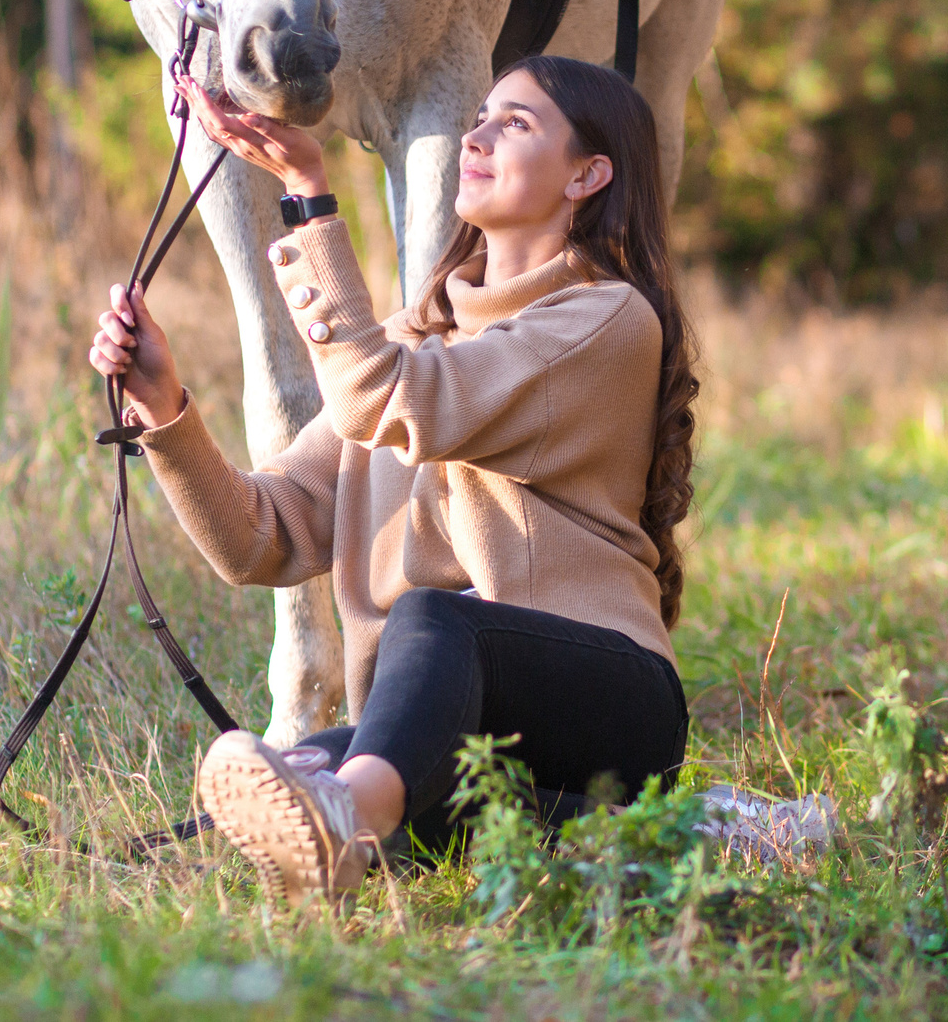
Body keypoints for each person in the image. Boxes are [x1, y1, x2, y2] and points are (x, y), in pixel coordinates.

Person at [87, 54, 699, 907]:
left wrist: (307, 191)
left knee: (435, 620)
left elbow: (398, 400)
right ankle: (401, 812)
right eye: (479, 115)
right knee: (304, 763)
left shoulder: (604, 318)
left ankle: (347, 818)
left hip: (611, 705)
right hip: (490, 735)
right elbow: (257, 536)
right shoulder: (417, 337)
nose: (476, 135)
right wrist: (162, 404)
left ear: (587, 175)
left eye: (515, 123)